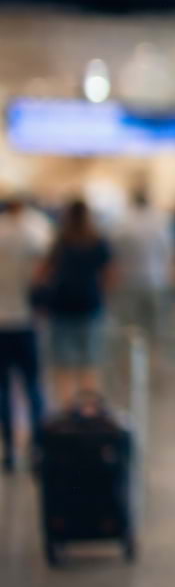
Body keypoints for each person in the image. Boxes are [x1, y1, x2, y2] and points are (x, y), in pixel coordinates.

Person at [38, 199, 116, 406]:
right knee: (89, 364)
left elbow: (44, 273)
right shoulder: (98, 241)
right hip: (90, 305)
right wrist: (101, 294)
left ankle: (68, 412)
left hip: (62, 306)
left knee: (64, 366)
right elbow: (110, 274)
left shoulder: (61, 241)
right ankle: (89, 412)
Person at [0, 197, 49, 473]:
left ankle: (9, 449)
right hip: (25, 319)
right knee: (32, 386)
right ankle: (37, 447)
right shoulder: (34, 232)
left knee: (3, 388)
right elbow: (42, 274)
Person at [111, 188, 173, 340]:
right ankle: (154, 359)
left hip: (130, 279)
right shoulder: (159, 221)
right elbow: (167, 250)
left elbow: (115, 252)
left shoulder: (124, 222)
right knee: (155, 326)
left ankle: (132, 360)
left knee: (131, 327)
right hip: (155, 279)